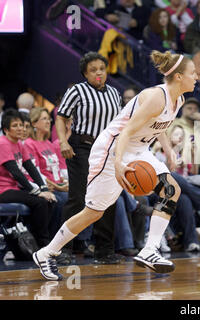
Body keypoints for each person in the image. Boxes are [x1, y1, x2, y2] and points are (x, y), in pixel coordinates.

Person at [33, 50, 198, 281]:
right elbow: (125, 132)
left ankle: (150, 250)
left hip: (138, 150)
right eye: (193, 73)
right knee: (92, 212)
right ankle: (46, 253)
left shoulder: (178, 99)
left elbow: (157, 126)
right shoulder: (155, 97)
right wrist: (119, 164)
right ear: (179, 76)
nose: (196, 77)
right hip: (111, 150)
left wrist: (169, 150)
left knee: (171, 190)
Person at [53, 52, 123, 265]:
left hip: (107, 149)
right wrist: (63, 141)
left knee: (109, 198)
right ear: (85, 73)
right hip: (82, 147)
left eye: (101, 68)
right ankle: (63, 249)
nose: (98, 73)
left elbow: (120, 123)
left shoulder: (114, 93)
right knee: (79, 197)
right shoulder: (76, 91)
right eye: (93, 70)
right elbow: (61, 117)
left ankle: (104, 251)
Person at [0, 110, 57, 248]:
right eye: (15, 125)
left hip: (14, 188)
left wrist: (43, 187)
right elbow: (16, 173)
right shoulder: (3, 144)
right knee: (40, 202)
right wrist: (37, 192)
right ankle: (43, 244)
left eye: (21, 125)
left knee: (50, 200)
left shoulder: (19, 144)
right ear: (6, 130)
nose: (20, 128)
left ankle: (35, 240)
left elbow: (30, 167)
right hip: (3, 191)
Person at [26, 108, 69, 238]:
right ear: (34, 123)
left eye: (48, 119)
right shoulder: (29, 144)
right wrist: (58, 187)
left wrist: (64, 183)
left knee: (79, 198)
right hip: (45, 186)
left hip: (57, 185)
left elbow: (56, 169)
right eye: (44, 119)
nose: (48, 122)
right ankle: (54, 240)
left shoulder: (48, 144)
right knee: (62, 200)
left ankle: (79, 242)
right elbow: (36, 173)